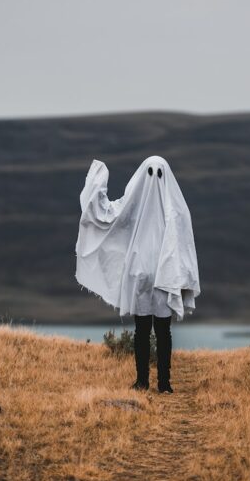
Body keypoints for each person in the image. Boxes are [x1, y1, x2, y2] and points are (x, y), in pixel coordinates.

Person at [75, 155, 201, 393]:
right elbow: (106, 215)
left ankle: (159, 382)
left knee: (157, 331)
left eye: (159, 173)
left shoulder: (169, 210)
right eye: (151, 173)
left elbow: (109, 215)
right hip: (148, 276)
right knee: (149, 330)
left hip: (158, 277)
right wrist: (97, 184)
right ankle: (148, 381)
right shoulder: (152, 207)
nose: (154, 179)